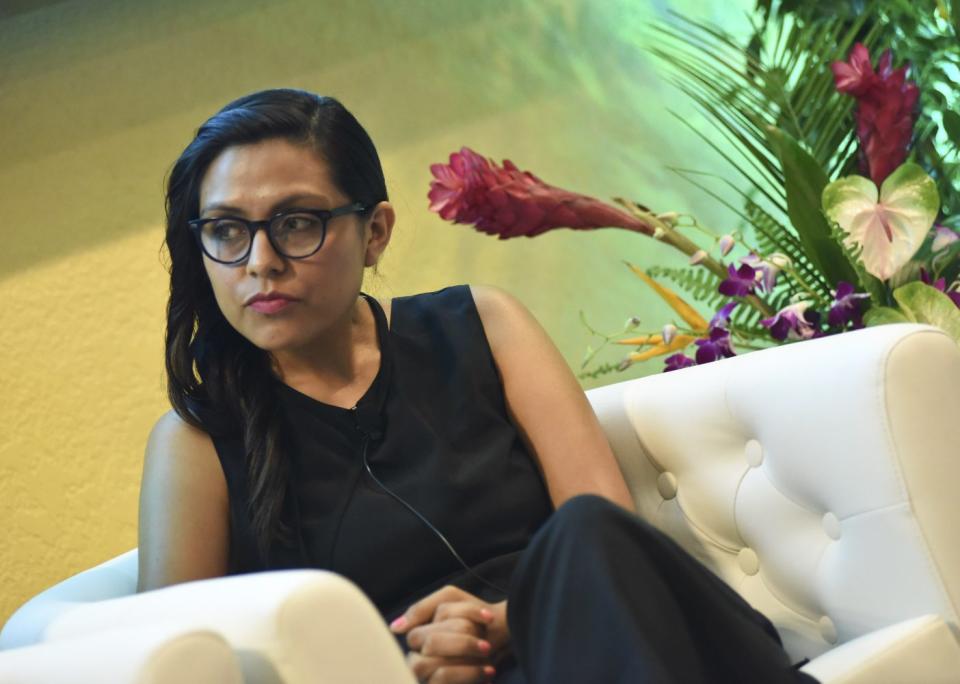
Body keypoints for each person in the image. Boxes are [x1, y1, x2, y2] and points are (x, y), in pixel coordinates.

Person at [137, 88, 816, 683]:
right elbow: (179, 663)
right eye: (226, 230)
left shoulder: (481, 325)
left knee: (584, 533)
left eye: (295, 224)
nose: (260, 263)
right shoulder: (199, 444)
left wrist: (505, 622)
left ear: (375, 232)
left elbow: (605, 530)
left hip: (593, 639)